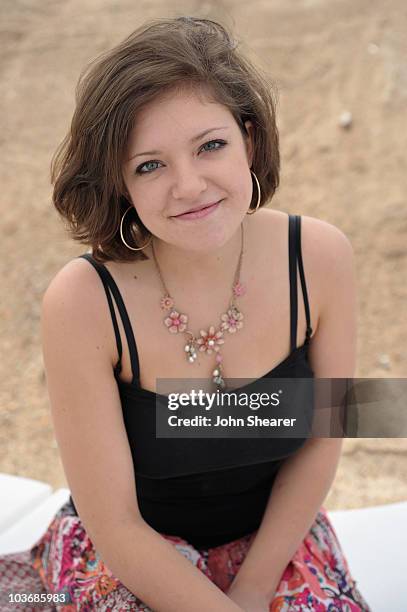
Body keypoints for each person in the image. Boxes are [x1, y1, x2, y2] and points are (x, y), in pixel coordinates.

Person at [0, 16, 371, 612]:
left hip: (276, 543)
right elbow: (116, 523)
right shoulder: (83, 301)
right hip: (133, 556)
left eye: (210, 145)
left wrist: (253, 589)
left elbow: (326, 436)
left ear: (249, 140)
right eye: (150, 165)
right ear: (120, 183)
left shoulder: (322, 257)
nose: (189, 185)